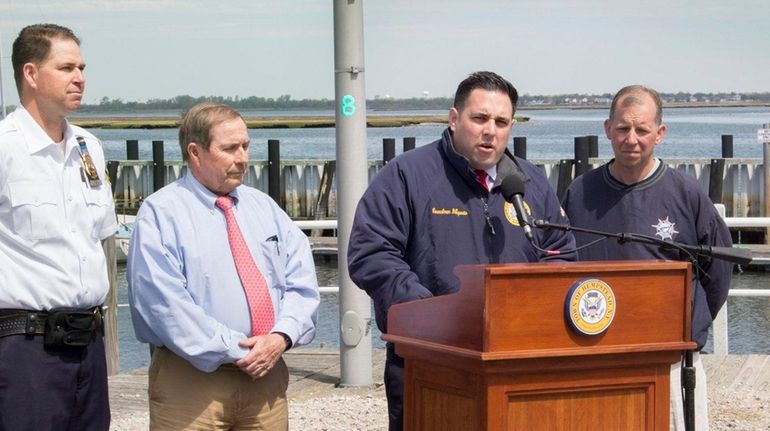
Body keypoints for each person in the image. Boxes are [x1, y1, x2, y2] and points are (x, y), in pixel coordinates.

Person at [348, 71, 576, 430]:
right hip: (430, 358)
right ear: (454, 119)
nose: (490, 131)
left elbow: (561, 255)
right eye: (480, 118)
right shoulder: (407, 175)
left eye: (501, 122)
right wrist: (429, 312)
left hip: (516, 357)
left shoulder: (530, 184)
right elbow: (371, 252)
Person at [127, 102, 320, 430]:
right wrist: (239, 348)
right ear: (195, 152)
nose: (243, 158)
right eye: (230, 148)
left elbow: (301, 280)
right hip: (192, 382)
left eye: (245, 146)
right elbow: (164, 304)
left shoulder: (265, 208)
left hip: (266, 378)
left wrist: (282, 336)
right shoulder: (161, 213)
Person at [562, 85, 733, 431]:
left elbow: (720, 268)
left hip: (670, 356)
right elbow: (561, 262)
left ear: (660, 133)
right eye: (623, 128)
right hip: (597, 349)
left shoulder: (686, 194)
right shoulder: (580, 192)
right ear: (607, 129)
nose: (632, 139)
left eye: (642, 129)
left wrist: (691, 326)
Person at [0, 24, 116, 430]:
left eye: (82, 67)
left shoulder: (88, 148)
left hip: (89, 345)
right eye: (66, 67)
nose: (80, 78)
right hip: (25, 350)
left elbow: (99, 237)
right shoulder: (4, 148)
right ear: (31, 74)